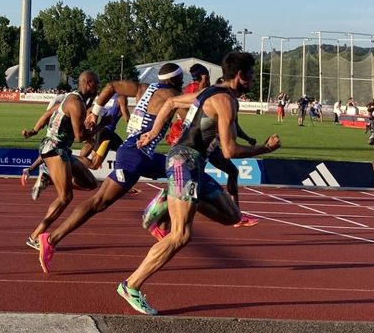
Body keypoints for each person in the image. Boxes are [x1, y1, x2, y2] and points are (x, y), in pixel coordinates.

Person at [117, 52, 281, 316]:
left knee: (232, 215)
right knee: (181, 235)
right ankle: (131, 285)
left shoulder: (211, 92)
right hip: (185, 161)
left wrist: (152, 133)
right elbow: (228, 151)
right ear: (240, 76)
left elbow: (170, 103)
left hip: (193, 164)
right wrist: (266, 148)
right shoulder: (225, 101)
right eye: (251, 74)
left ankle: (169, 195)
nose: (253, 78)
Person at [36, 64, 184, 274]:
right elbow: (194, 118)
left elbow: (112, 86)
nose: (184, 83)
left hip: (141, 154)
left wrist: (95, 113)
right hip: (134, 156)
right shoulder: (173, 95)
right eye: (181, 79)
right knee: (98, 202)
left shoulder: (143, 88)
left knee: (180, 172)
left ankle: (158, 220)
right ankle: (50, 239)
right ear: (175, 80)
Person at [23, 70, 100, 250]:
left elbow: (49, 113)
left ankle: (49, 179)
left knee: (90, 183)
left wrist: (34, 130)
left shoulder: (71, 98)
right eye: (96, 83)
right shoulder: (76, 103)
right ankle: (35, 236)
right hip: (54, 149)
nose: (98, 87)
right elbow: (80, 137)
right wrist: (102, 126)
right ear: (88, 83)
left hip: (61, 149)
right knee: (65, 197)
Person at [187, 67, 260, 228]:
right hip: (200, 146)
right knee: (193, 181)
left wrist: (247, 138)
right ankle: (181, 201)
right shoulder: (215, 97)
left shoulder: (226, 101)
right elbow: (177, 105)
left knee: (231, 172)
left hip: (211, 147)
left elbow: (235, 126)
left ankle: (237, 212)